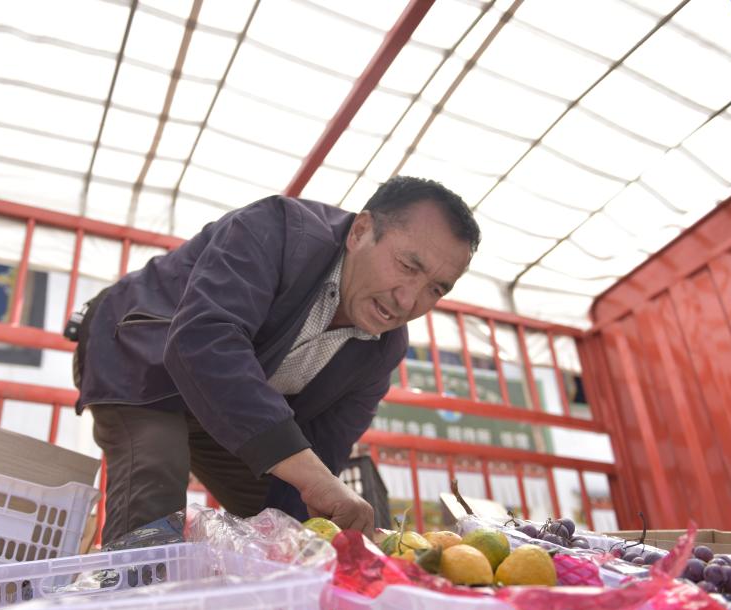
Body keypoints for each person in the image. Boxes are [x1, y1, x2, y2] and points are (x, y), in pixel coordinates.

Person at [73, 176, 480, 545]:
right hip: (139, 359)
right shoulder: (278, 230)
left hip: (229, 408)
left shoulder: (384, 349)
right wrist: (314, 478)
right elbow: (204, 340)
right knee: (156, 477)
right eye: (407, 265)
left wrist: (311, 525)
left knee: (292, 520)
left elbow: (320, 451)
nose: (408, 301)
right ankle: (134, 600)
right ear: (360, 231)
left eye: (435, 289)